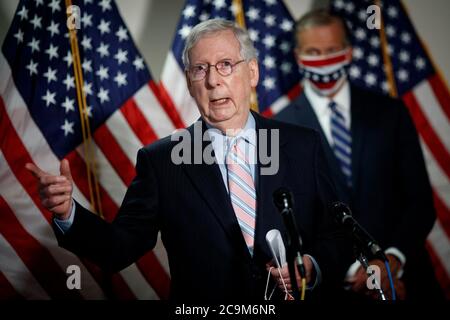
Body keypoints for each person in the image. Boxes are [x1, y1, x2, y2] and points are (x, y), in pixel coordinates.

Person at [26, 18, 351, 301]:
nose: (213, 81)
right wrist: (68, 213)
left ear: (252, 72)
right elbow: (119, 248)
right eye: (200, 69)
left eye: (226, 65)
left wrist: (311, 266)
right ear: (190, 84)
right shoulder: (162, 161)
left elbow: (338, 233)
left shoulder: (300, 145)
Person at [275, 9, 443, 300]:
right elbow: (292, 220)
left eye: (333, 50)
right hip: (335, 288)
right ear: (298, 56)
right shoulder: (280, 129)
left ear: (349, 52)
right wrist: (354, 272)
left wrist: (391, 261)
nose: (324, 60)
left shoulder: (391, 112)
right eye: (313, 52)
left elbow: (420, 202)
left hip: (406, 282)